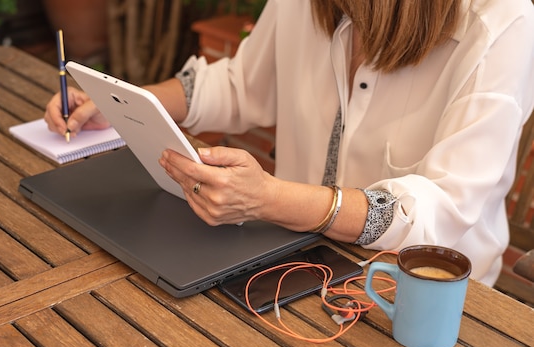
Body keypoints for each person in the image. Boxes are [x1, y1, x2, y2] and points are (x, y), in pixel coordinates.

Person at [45, 0, 534, 287]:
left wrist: (269, 198)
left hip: (424, 291)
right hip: (291, 260)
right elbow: (244, 84)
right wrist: (123, 101)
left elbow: (441, 215)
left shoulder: (504, 21)